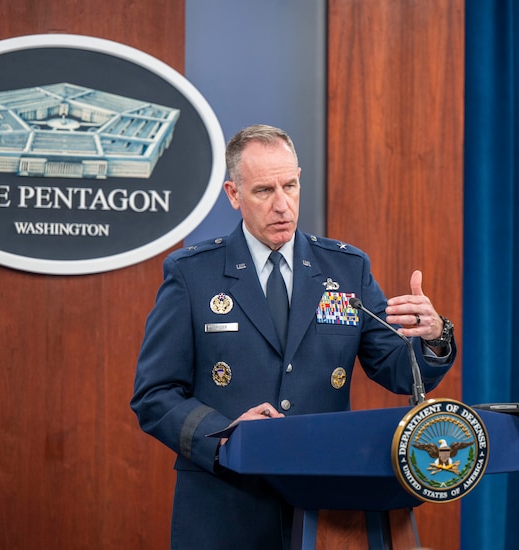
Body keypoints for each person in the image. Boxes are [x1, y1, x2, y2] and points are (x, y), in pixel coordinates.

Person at [131, 124, 456, 549]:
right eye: (264, 190)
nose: (282, 204)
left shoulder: (345, 270)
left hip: (329, 511)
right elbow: (154, 395)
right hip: (226, 509)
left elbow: (396, 369)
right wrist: (226, 431)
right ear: (234, 195)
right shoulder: (193, 274)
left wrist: (433, 337)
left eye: (290, 185)